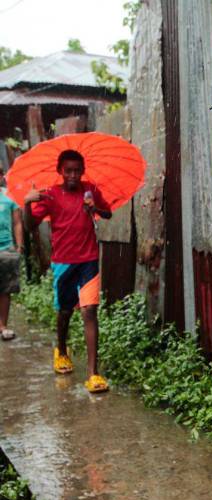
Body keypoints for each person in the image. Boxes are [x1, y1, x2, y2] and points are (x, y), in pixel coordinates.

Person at [23, 149, 112, 393]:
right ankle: (61, 350)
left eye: (77, 170)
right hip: (63, 262)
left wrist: (95, 207)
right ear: (60, 171)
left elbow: (108, 213)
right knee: (64, 312)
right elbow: (31, 226)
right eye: (68, 170)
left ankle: (93, 373)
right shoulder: (49, 195)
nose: (73, 175)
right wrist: (27, 203)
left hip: (89, 260)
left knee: (89, 311)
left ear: (83, 171)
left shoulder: (90, 190)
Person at [0, 167, 23, 341]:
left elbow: (17, 223)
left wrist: (19, 246)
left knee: (5, 289)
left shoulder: (9, 196)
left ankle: (3, 326)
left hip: (6, 249)